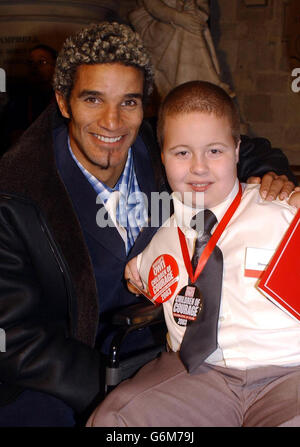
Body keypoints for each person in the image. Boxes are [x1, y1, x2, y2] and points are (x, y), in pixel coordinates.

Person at [0, 21, 296, 427]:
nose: (112, 122)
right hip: (70, 371)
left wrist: (272, 178)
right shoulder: (16, 193)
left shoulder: (162, 152)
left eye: (129, 102)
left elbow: (234, 146)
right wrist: (107, 381)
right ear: (63, 102)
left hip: (176, 350)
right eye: (93, 99)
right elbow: (11, 336)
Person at [87, 80, 300, 427]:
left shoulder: (282, 211)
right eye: (182, 152)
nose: (198, 167)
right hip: (198, 375)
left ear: (236, 149)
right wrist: (134, 277)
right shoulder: (159, 236)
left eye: (214, 151)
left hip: (288, 373)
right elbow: (139, 278)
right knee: (115, 418)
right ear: (163, 157)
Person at [129, 0, 234, 99]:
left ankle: (192, 84)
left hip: (183, 20)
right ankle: (206, 82)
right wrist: (180, 18)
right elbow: (154, 7)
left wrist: (195, 14)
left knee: (194, 27)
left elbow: (203, 7)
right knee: (185, 29)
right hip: (151, 23)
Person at [1, 44, 57, 155]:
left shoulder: (65, 97)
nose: (34, 67)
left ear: (55, 66)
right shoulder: (19, 98)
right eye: (30, 63)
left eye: (42, 62)